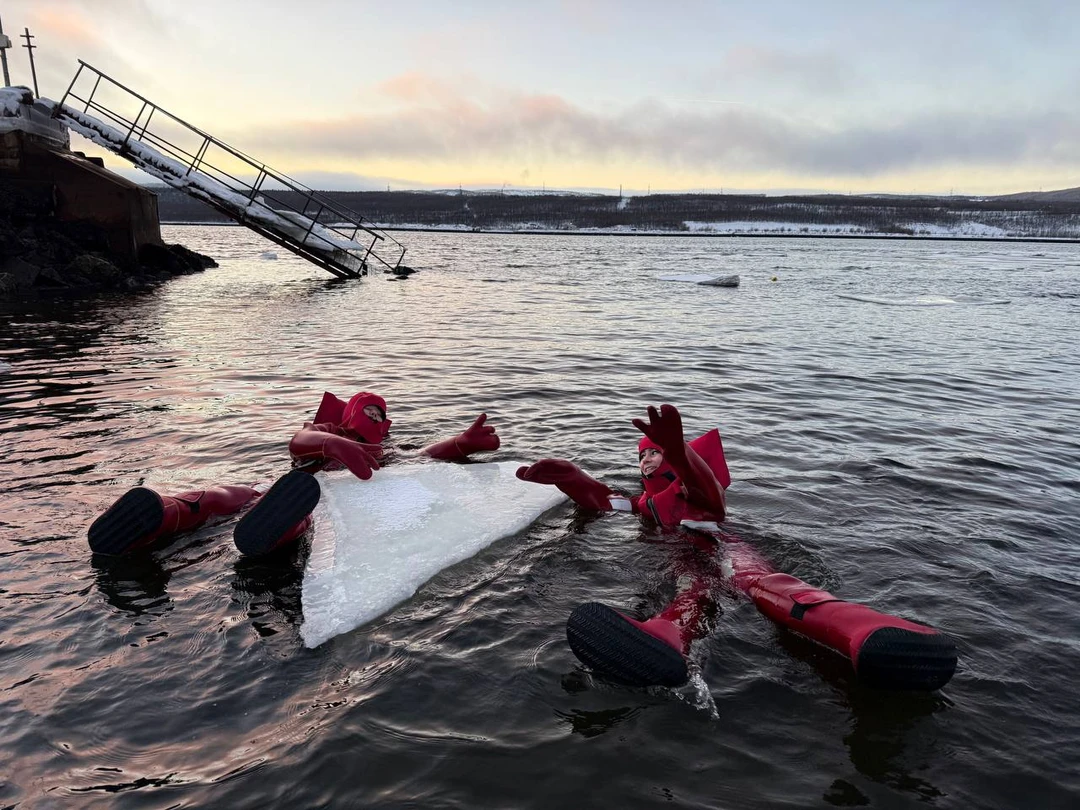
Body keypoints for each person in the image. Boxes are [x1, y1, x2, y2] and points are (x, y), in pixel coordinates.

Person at [231, 390, 501, 556]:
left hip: (325, 503)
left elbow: (419, 457)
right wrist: (333, 444)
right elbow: (300, 442)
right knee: (227, 496)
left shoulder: (382, 450)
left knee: (307, 516)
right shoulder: (329, 430)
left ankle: (276, 533)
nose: (374, 416)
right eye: (368, 410)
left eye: (379, 415)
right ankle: (190, 509)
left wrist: (461, 443)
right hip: (299, 484)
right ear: (351, 413)